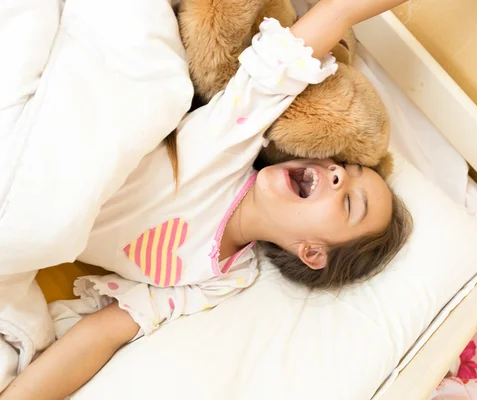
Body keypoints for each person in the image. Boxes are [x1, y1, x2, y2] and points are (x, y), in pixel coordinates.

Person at [0, 0, 411, 398]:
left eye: (350, 203)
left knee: (39, 245)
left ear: (312, 253)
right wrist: (348, 9)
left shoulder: (223, 278)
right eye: (345, 167)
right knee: (162, 89)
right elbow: (282, 62)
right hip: (80, 117)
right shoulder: (238, 141)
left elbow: (102, 334)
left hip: (36, 183)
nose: (337, 172)